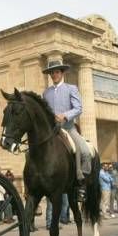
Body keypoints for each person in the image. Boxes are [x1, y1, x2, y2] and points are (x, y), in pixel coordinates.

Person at [42, 58, 92, 187]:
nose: (54, 75)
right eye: (52, 73)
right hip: (52, 131)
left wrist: (65, 115)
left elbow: (78, 108)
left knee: (85, 152)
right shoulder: (46, 93)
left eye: (57, 72)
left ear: (62, 73)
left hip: (69, 128)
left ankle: (82, 183)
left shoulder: (71, 88)